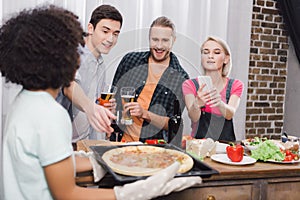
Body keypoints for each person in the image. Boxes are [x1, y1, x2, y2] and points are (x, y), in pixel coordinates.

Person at [0, 5, 202, 200]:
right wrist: (133, 193)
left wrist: (102, 158)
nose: (79, 58)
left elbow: (49, 163)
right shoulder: (52, 114)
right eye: (73, 51)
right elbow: (66, 193)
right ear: (57, 58)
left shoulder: (24, 102)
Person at [111, 16, 189, 144]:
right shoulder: (130, 61)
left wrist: (145, 114)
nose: (159, 46)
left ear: (173, 41)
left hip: (152, 149)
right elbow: (113, 99)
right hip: (120, 142)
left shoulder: (181, 78)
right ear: (149, 39)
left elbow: (172, 124)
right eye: (155, 39)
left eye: (165, 40)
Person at [56, 4, 122, 145]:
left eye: (115, 34)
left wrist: (105, 107)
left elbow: (95, 101)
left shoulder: (101, 63)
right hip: (63, 141)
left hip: (84, 142)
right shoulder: (74, 54)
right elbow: (69, 86)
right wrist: (91, 107)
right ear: (90, 28)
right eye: (105, 31)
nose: (111, 39)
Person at [182, 36, 244, 141]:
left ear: (226, 59)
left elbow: (229, 114)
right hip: (199, 146)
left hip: (225, 148)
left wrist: (219, 103)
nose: (210, 56)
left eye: (216, 52)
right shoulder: (189, 84)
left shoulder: (235, 85)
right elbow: (193, 117)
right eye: (206, 52)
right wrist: (197, 104)